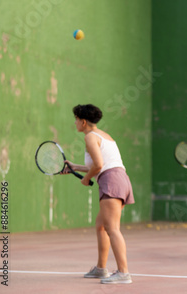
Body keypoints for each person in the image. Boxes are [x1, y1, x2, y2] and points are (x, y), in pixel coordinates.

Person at [63, 104, 134, 284]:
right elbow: (99, 162)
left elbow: (99, 166)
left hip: (111, 180)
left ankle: (124, 273)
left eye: (77, 119)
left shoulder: (89, 137)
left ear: (83, 121)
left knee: (112, 229)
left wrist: (86, 178)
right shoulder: (104, 136)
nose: (75, 122)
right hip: (120, 179)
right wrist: (75, 167)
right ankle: (101, 269)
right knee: (101, 225)